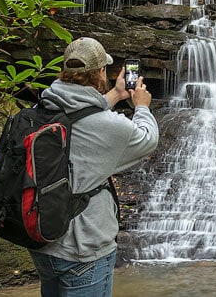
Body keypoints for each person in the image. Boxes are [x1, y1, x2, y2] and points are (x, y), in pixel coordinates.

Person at [28, 37, 159, 297]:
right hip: (83, 247)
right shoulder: (109, 126)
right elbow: (147, 140)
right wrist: (141, 106)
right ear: (100, 72)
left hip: (42, 240)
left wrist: (117, 95)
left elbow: (79, 115)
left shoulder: (42, 108)